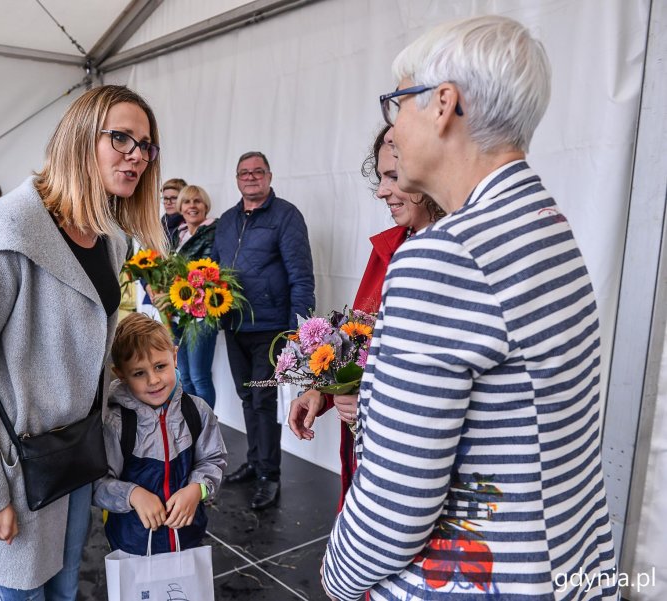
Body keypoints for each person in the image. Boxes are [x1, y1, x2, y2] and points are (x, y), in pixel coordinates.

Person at [321, 16, 617, 600]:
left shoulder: (445, 255)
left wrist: (336, 576)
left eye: (397, 105)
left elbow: (395, 505)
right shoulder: (548, 226)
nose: (394, 128)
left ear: (443, 105)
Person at [0, 84, 164, 600]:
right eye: (121, 138)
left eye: (145, 145)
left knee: (65, 589)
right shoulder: (10, 230)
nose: (136, 155)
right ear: (78, 138)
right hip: (14, 471)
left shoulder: (110, 237)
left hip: (73, 457)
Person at [288, 124, 444, 510]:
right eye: (380, 177)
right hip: (370, 455)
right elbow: (356, 343)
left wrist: (373, 402)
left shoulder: (455, 257)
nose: (380, 191)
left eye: (393, 176)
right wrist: (321, 392)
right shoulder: (391, 247)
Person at [212, 151, 315, 510]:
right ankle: (255, 462)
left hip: (271, 331)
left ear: (269, 176)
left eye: (258, 171)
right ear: (237, 179)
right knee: (246, 396)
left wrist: (295, 334)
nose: (251, 177)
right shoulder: (226, 221)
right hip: (235, 326)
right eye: (244, 172)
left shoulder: (286, 216)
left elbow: (301, 277)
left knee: (263, 399)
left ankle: (270, 475)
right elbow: (213, 273)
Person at [93, 313, 226, 555]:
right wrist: (133, 495)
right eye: (138, 373)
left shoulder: (198, 411)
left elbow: (213, 461)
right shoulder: (115, 422)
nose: (153, 380)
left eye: (160, 366)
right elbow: (97, 485)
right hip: (132, 545)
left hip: (188, 538)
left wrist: (197, 489)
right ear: (120, 374)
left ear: (174, 357)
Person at [170, 185, 219, 409]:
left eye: (197, 201)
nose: (192, 206)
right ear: (180, 207)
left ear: (205, 206)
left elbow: (213, 273)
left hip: (202, 314)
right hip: (180, 314)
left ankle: (206, 429)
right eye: (187, 202)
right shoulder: (178, 234)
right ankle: (192, 424)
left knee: (199, 377)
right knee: (185, 376)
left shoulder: (214, 232)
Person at [160, 177, 186, 247]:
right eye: (165, 198)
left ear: (184, 199)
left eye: (174, 198)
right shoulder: (159, 225)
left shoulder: (189, 225)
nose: (168, 202)